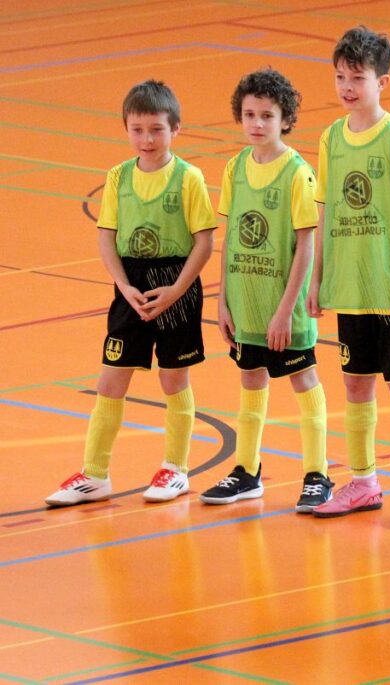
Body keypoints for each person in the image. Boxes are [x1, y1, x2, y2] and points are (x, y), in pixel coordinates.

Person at [45, 80, 216, 506]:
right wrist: (124, 286)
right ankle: (95, 474)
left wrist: (176, 290)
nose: (147, 139)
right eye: (137, 130)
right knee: (110, 379)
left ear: (175, 128)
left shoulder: (189, 178)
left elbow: (204, 241)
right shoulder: (118, 177)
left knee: (173, 378)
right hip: (131, 285)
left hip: (175, 284)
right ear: (126, 128)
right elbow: (107, 236)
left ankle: (176, 468)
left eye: (156, 129)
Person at [307, 26, 390, 528]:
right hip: (351, 287)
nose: (347, 87)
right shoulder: (331, 138)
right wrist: (318, 279)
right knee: (355, 384)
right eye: (340, 77)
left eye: (357, 78)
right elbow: (323, 212)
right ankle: (363, 481)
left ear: (382, 82)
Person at [198, 69, 331, 512]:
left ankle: (318, 474)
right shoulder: (235, 167)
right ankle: (246, 471)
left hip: (282, 305)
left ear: (285, 119)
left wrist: (285, 310)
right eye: (250, 114)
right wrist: (222, 300)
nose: (257, 123)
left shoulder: (298, 174)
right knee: (250, 379)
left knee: (303, 378)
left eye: (267, 115)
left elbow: (307, 245)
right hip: (245, 300)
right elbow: (231, 237)